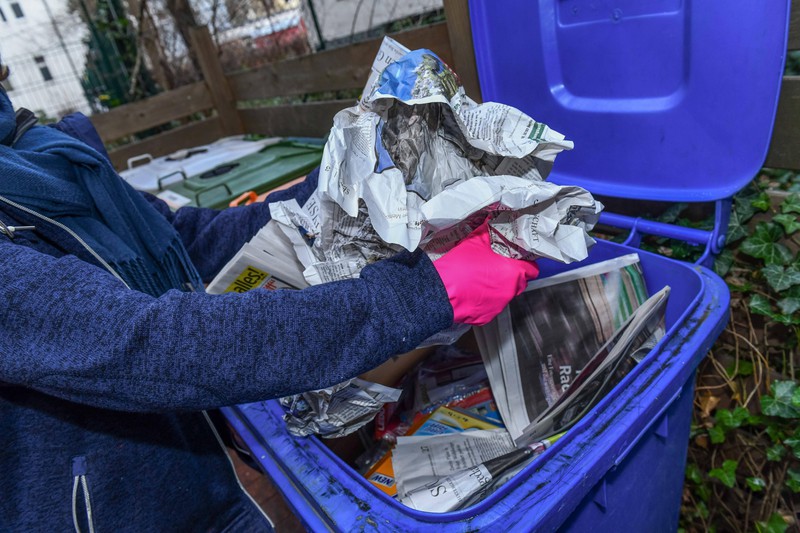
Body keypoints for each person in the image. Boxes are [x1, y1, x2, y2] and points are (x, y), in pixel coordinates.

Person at [0, 62, 537, 532]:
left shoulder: (43, 153)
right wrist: (420, 295)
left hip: (206, 478)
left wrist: (334, 183)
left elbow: (187, 239)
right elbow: (148, 343)